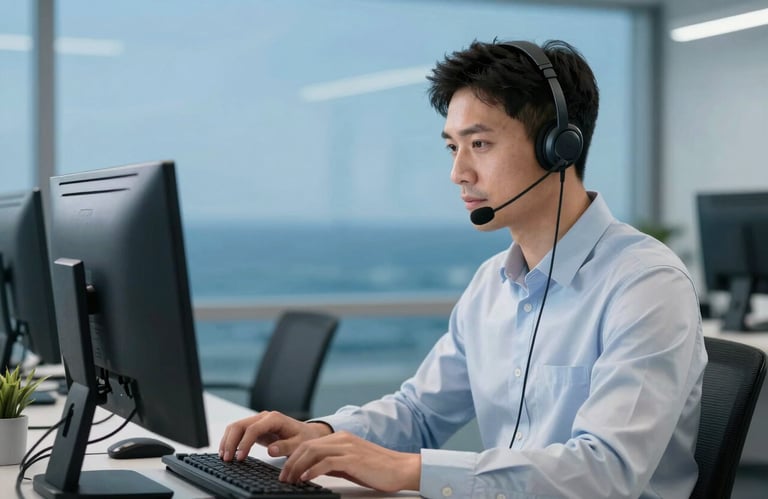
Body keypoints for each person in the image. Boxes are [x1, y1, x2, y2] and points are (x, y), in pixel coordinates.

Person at [220, 39, 707, 498]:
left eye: (480, 145)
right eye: (453, 147)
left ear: (560, 148)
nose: (458, 174)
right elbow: (420, 411)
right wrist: (322, 433)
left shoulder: (645, 284)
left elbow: (608, 470)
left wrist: (410, 470)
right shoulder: (492, 284)